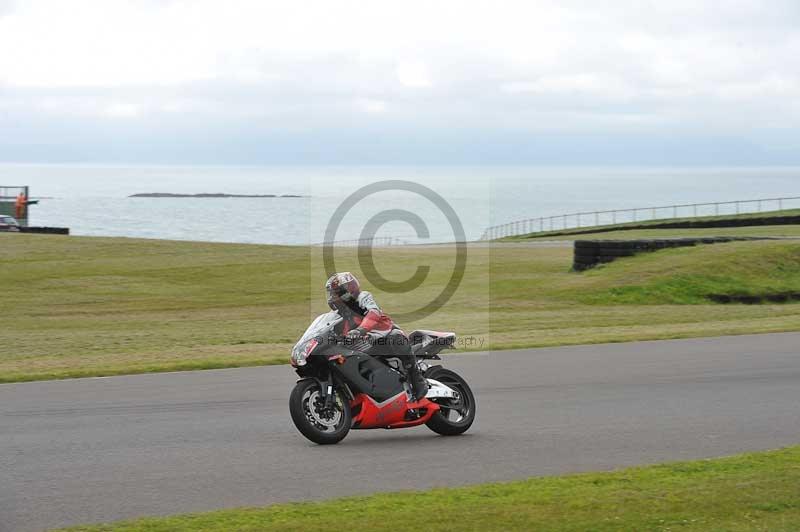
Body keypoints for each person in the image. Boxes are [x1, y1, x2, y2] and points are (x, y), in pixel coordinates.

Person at [325, 272, 429, 400]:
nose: (333, 297)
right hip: (364, 348)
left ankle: (417, 379)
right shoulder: (338, 315)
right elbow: (329, 331)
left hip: (385, 336)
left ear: (349, 289)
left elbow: (373, 313)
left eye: (336, 293)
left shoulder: (362, 297)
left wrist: (360, 330)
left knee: (396, 338)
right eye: (331, 293)